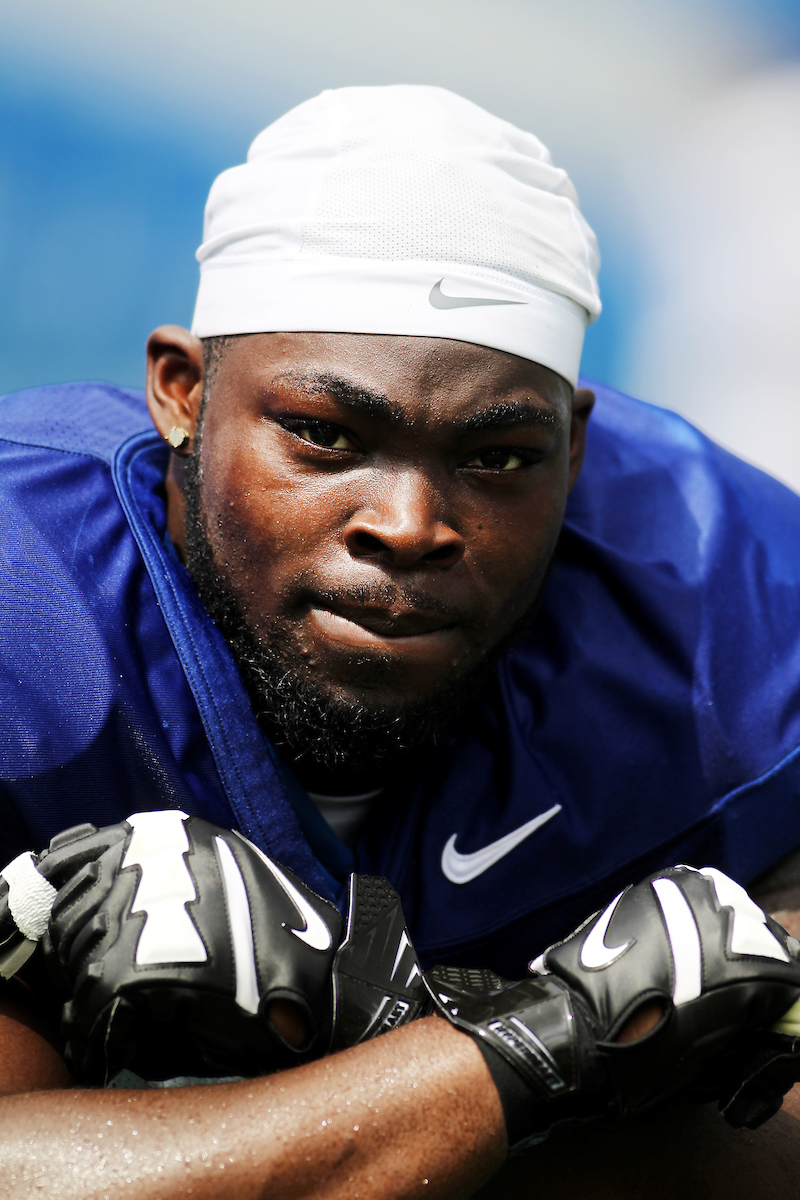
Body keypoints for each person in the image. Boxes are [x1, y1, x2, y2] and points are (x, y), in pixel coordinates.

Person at [2, 84, 800, 1197]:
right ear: (181, 394)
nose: (410, 526)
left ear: (573, 444)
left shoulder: (730, 607)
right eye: (324, 436)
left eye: (496, 458)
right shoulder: (23, 613)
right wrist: (544, 1046)